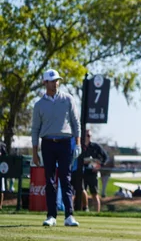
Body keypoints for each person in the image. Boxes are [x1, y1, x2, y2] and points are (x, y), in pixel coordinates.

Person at [30, 69, 81, 227]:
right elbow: (35, 129)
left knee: (65, 179)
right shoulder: (39, 105)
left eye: (57, 80)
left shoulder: (68, 99)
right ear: (45, 83)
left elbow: (75, 123)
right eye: (52, 81)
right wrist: (34, 153)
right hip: (47, 143)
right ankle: (51, 215)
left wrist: (78, 144)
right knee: (50, 180)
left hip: (66, 142)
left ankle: (69, 216)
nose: (55, 83)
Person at [80, 129, 108, 213]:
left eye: (89, 135)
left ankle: (97, 213)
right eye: (86, 135)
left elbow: (105, 157)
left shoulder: (95, 146)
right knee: (82, 192)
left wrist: (99, 166)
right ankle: (84, 210)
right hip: (81, 172)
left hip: (92, 173)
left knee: (94, 194)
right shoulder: (80, 146)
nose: (88, 137)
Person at [0, 140, 7, 210]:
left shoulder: (2, 145)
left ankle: (0, 205)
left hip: (1, 169)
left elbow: (5, 157)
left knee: (1, 189)